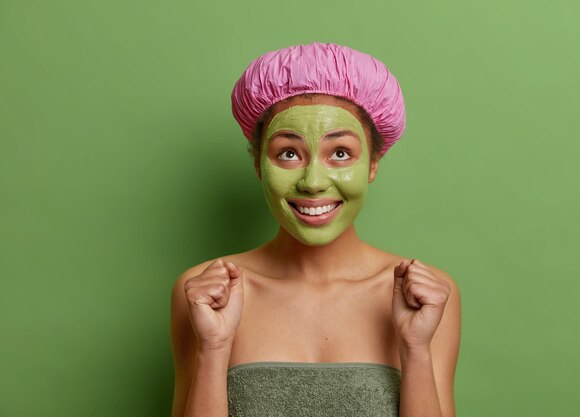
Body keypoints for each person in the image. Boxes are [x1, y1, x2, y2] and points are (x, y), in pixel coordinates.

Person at [170, 42, 461, 417]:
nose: (313, 182)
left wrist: (416, 349)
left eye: (340, 153)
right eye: (288, 153)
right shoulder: (204, 294)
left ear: (373, 163)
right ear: (259, 164)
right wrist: (212, 348)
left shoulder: (427, 297)